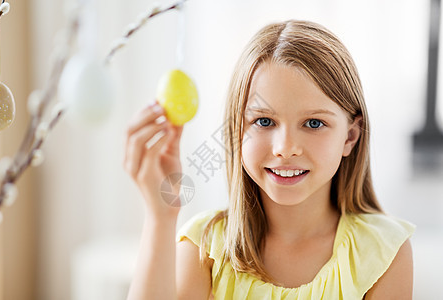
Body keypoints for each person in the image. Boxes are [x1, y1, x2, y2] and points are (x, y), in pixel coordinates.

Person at [123, 20, 415, 300]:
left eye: (313, 123)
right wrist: (161, 217)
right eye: (264, 121)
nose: (285, 149)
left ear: (350, 137)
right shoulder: (206, 247)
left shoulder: (383, 252)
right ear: (237, 130)